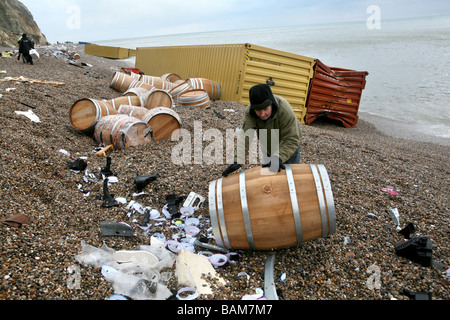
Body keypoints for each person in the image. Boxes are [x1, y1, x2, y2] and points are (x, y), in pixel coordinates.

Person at [222, 84, 302, 177]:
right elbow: (245, 136)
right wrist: (238, 160)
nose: (263, 114)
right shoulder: (250, 113)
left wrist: (278, 157)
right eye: (258, 110)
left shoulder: (284, 110)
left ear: (271, 104)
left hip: (288, 147)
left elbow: (292, 138)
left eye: (266, 109)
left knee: (289, 177)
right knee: (267, 178)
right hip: (268, 146)